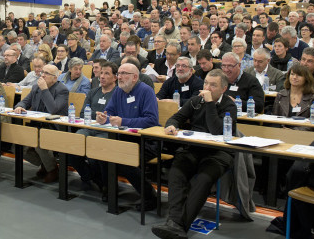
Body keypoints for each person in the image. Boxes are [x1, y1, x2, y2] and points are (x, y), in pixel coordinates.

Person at [151, 69, 236, 239]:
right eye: (206, 83)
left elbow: (216, 130)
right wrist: (172, 125)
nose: (207, 88)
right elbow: (176, 117)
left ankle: (180, 225)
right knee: (176, 173)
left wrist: (210, 103)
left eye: (213, 85)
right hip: (194, 149)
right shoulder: (196, 100)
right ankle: (174, 222)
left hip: (218, 153)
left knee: (203, 180)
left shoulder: (229, 105)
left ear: (224, 89)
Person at [95, 63, 159, 211]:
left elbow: (151, 121)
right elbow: (109, 111)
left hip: (145, 140)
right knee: (103, 151)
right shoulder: (119, 91)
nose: (120, 76)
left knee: (124, 160)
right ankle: (110, 189)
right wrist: (104, 118)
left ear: (135, 77)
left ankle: (150, 197)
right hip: (123, 138)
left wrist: (124, 121)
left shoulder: (146, 91)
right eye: (119, 73)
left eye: (124, 73)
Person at [68, 61, 118, 192]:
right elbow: (83, 113)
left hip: (108, 131)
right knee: (71, 146)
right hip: (89, 128)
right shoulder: (93, 92)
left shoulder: (119, 93)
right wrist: (95, 117)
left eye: (106, 73)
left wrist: (106, 120)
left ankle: (107, 185)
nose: (102, 76)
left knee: (97, 149)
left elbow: (120, 116)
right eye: (101, 73)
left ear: (115, 77)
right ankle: (90, 177)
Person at [14, 64, 69, 183]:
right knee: (16, 143)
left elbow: (53, 109)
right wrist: (19, 107)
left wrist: (45, 89)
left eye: (47, 73)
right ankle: (46, 164)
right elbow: (24, 102)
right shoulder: (36, 87)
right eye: (42, 72)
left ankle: (52, 169)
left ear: (55, 78)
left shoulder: (62, 90)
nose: (42, 75)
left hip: (54, 128)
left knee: (39, 141)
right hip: (36, 125)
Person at [272, 64, 314, 130]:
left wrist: (293, 131)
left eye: (299, 75)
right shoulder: (281, 95)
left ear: (306, 78)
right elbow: (274, 118)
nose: (294, 77)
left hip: (303, 134)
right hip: (281, 131)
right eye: (292, 74)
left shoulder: (313, 98)